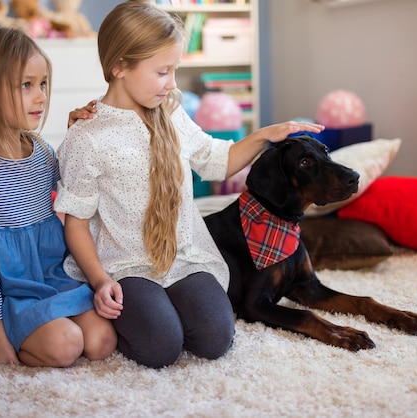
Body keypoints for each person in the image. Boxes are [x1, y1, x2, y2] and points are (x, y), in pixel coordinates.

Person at [54, 0, 325, 369]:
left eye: (175, 70)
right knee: (161, 346)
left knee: (215, 337)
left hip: (182, 259)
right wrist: (101, 282)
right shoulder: (86, 137)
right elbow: (77, 223)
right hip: (125, 266)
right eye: (163, 72)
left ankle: (161, 310)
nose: (172, 84)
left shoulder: (171, 113)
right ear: (119, 66)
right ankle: (107, 313)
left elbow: (219, 161)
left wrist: (266, 135)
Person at [0, 21, 117, 368]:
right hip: (4, 292)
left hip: (48, 276)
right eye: (27, 85)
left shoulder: (40, 150)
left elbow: (73, 190)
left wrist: (76, 137)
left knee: (101, 340)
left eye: (43, 84)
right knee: (67, 345)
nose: (42, 96)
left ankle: (44, 325)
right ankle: (14, 334)